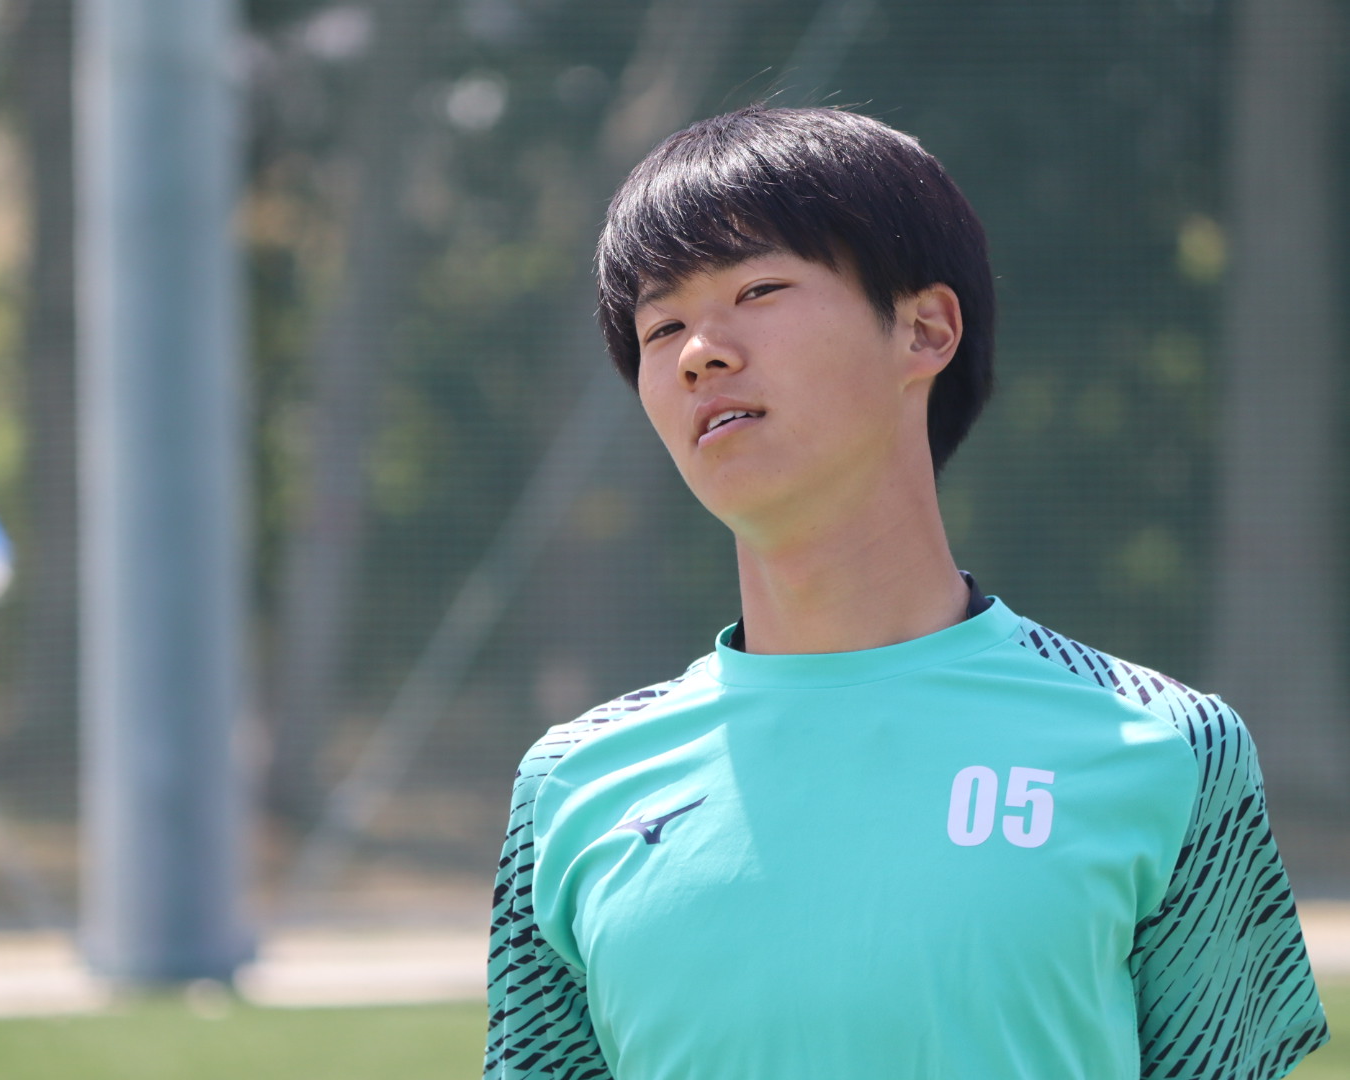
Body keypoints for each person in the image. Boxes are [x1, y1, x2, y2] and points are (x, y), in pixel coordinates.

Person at [483, 105, 1330, 1080]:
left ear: (925, 329)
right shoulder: (570, 786)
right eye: (661, 325)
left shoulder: (1169, 749)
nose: (697, 352)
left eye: (758, 288)